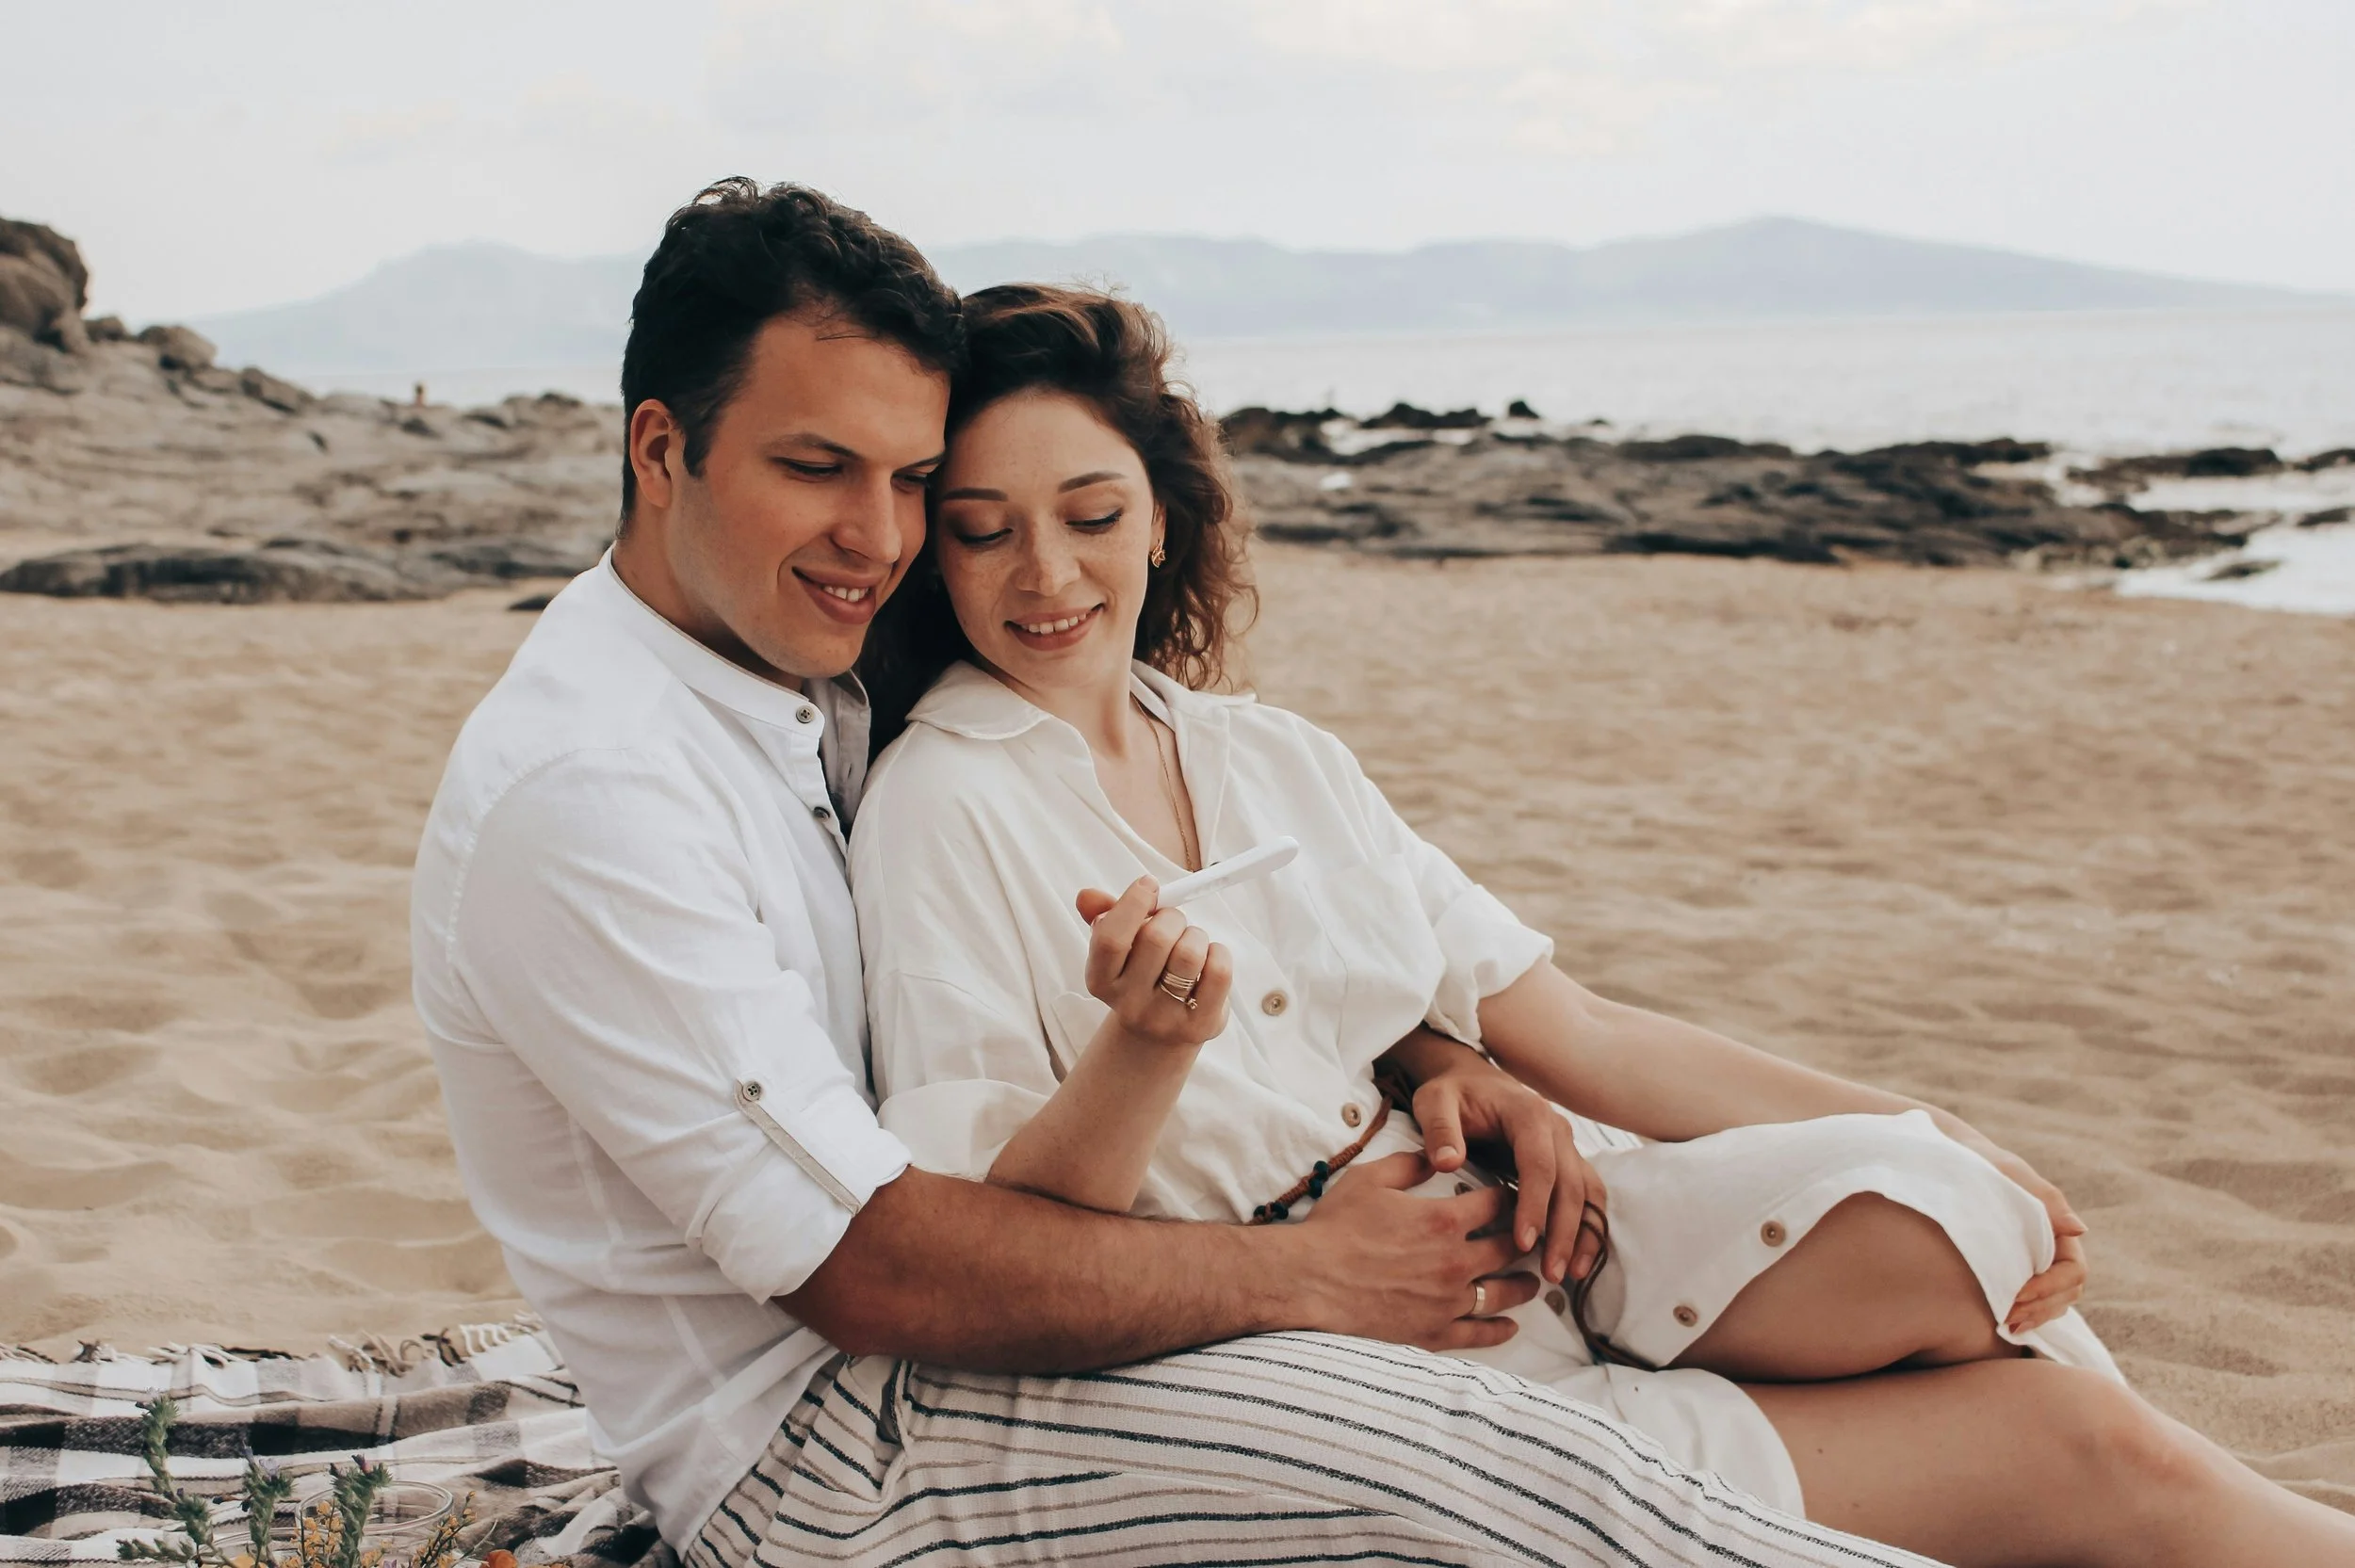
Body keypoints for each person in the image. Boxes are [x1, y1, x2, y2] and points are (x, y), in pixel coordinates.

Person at [412, 178, 1949, 1568]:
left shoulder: (783, 677)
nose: (876, 540)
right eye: (819, 469)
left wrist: (1432, 1049)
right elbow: (873, 1269)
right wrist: (1306, 1278)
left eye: (905, 480)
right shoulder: (595, 791)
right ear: (659, 448)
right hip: (825, 1453)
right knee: (1520, 1494)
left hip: (966, 1344)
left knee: (1786, 1350)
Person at [849, 282, 2355, 1568]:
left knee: (1954, 1223)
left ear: (1163, 518)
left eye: (1091, 514)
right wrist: (1145, 1050)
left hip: (1561, 1249)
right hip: (1380, 1395)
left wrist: (1937, 1119)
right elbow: (991, 1246)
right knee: (2077, 1440)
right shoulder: (944, 808)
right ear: (935, 556)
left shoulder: (1270, 757)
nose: (1045, 574)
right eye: (982, 534)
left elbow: (1582, 1033)